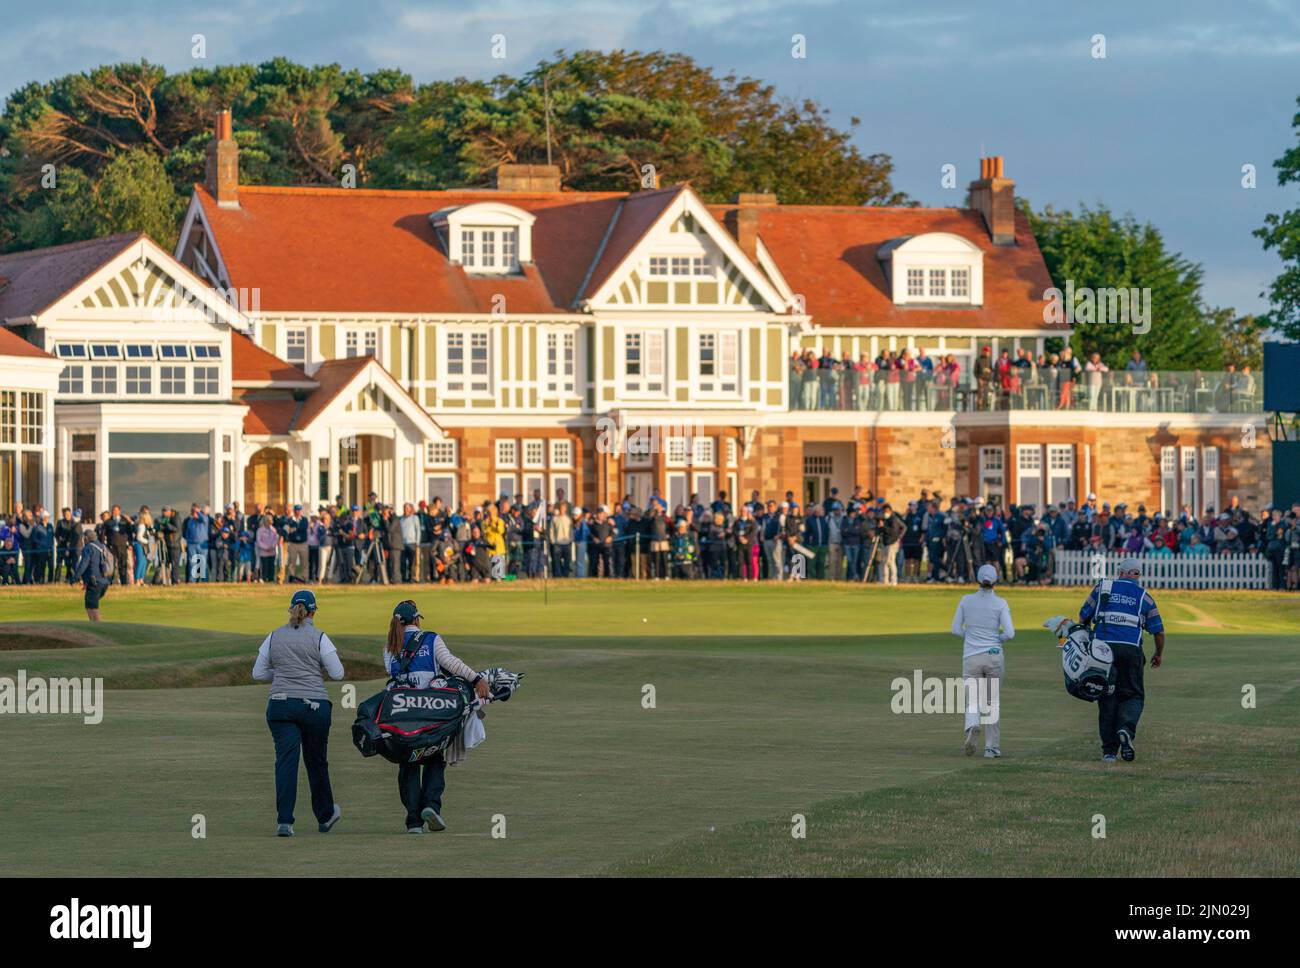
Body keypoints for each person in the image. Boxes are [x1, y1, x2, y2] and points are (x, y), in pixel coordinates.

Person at [383, 600, 490, 834]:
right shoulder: (431, 639)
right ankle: (431, 806)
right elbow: (452, 664)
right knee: (433, 759)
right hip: (431, 712)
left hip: (401, 717)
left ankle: (413, 822)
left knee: (408, 763)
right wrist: (477, 679)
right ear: (417, 619)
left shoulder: (389, 646)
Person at [251, 589, 344, 837]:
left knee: (285, 762)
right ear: (314, 611)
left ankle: (284, 821)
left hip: (280, 706)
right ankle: (325, 816)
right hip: (314, 706)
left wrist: (282, 675)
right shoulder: (319, 637)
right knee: (316, 761)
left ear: (291, 609)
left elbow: (258, 673)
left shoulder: (274, 636)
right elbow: (337, 673)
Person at [1079, 557, 1165, 763]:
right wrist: (1158, 653)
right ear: (1137, 575)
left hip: (1103, 651)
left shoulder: (1102, 588)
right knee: (1133, 695)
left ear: (1121, 572)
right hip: (1131, 651)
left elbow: (1083, 616)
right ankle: (1125, 729)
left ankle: (1109, 752)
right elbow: (1158, 630)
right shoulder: (1144, 596)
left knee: (1107, 697)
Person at [950, 563, 1015, 758]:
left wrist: (971, 638)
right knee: (991, 701)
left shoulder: (966, 600)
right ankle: (991, 748)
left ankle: (972, 725)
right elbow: (1010, 633)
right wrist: (997, 639)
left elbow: (955, 629)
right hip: (994, 655)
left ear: (978, 580)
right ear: (996, 581)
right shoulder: (1001, 603)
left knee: (972, 700)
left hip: (971, 656)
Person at [72, 529, 114, 621]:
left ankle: (96, 627)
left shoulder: (88, 548)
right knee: (91, 604)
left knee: (92, 607)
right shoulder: (103, 546)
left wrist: (75, 578)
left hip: (94, 582)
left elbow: (83, 564)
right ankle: (94, 624)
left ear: (86, 538)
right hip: (105, 581)